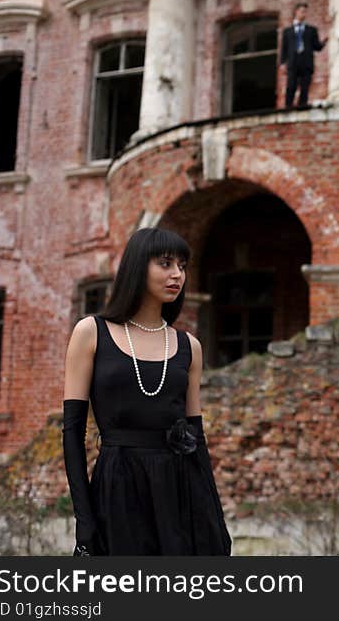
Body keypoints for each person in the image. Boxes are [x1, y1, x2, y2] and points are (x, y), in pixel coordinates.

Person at [62, 228, 232, 555]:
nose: (177, 274)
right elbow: (72, 431)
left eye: (182, 266)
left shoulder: (188, 346)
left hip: (179, 491)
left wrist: (215, 517)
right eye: (165, 263)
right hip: (117, 485)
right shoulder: (91, 332)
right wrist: (84, 518)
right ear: (138, 267)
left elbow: (196, 437)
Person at [280, 2, 327, 108]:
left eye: (305, 12)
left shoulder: (311, 30)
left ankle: (302, 105)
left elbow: (317, 47)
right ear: (296, 12)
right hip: (293, 62)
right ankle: (288, 106)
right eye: (302, 11)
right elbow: (284, 48)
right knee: (291, 85)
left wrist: (323, 42)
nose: (304, 14)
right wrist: (282, 63)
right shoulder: (288, 31)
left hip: (306, 62)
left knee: (305, 86)